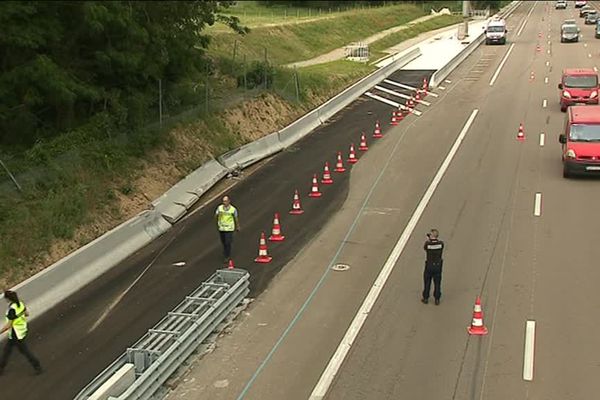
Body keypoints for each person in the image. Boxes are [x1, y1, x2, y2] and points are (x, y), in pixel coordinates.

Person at [0, 290, 42, 375]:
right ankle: (1, 368)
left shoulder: (11, 310)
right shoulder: (20, 303)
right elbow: (27, 314)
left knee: (24, 351)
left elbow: (8, 326)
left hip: (16, 333)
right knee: (7, 350)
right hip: (22, 330)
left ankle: (37, 366)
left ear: (8, 299)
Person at [421, 229, 444, 305]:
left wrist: (429, 240)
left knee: (427, 282)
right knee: (437, 283)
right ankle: (437, 299)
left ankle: (426, 298)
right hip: (438, 266)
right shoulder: (441, 244)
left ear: (432, 236)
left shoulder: (428, 244)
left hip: (429, 266)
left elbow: (425, 248)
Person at [215, 196, 240, 264]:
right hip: (222, 228)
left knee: (227, 242)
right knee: (223, 242)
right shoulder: (220, 208)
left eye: (226, 201)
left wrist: (238, 226)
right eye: (223, 201)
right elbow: (216, 215)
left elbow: (236, 218)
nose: (224, 202)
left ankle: (227, 256)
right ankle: (225, 251)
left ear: (229, 201)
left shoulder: (233, 209)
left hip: (229, 228)